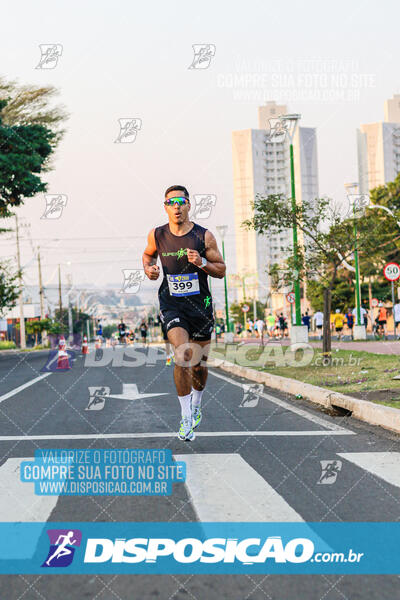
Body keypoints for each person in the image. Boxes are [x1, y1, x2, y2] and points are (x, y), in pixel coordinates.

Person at [142, 184, 226, 441]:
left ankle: (197, 404)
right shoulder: (156, 235)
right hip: (172, 304)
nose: (176, 206)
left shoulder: (204, 237)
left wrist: (201, 262)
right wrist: (150, 269)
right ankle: (185, 416)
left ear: (189, 205)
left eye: (180, 201)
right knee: (183, 354)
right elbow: (147, 256)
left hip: (200, 305)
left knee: (199, 364)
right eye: (171, 202)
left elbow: (221, 269)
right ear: (165, 207)